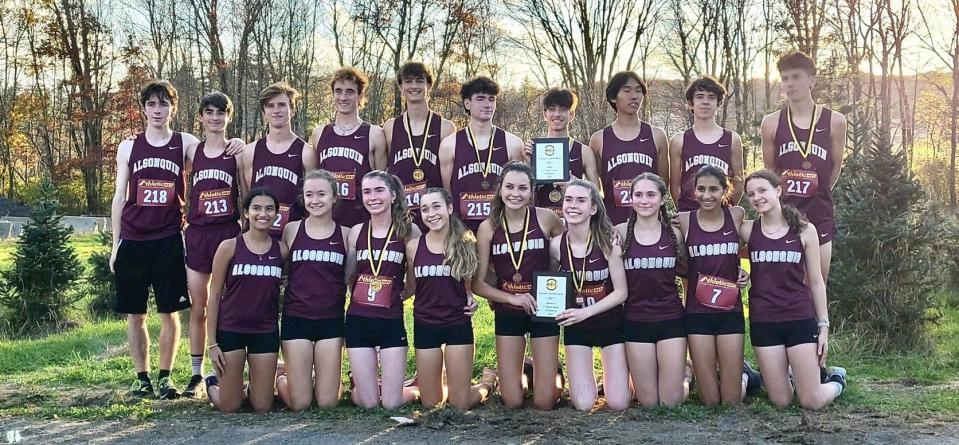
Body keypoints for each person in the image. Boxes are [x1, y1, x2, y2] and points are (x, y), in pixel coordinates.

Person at [110, 80, 242, 399]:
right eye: (152, 104)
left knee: (170, 311)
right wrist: (116, 245)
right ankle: (142, 378)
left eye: (164, 104)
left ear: (174, 108)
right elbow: (118, 197)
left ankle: (166, 377)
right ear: (143, 109)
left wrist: (238, 143)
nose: (158, 110)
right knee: (136, 313)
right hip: (133, 237)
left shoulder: (186, 143)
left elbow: (215, 147)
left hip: (169, 237)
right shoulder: (129, 146)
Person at [741, 170, 847, 410]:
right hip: (764, 321)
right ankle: (768, 376)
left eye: (762, 190)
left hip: (798, 318)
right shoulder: (748, 230)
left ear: (778, 190)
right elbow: (719, 246)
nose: (757, 197)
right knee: (781, 401)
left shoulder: (804, 230)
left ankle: (837, 380)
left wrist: (823, 326)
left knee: (811, 401)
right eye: (751, 194)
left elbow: (817, 281)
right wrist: (739, 271)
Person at [473, 161, 566, 410]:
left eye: (523, 188)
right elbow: (478, 284)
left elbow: (572, 246)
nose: (515, 193)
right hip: (508, 309)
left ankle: (550, 369)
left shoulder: (547, 218)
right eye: (510, 187)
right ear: (500, 189)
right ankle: (519, 371)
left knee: (545, 402)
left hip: (543, 307)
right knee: (512, 400)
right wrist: (512, 298)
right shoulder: (488, 227)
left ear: (532, 191)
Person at [761, 51, 847, 284]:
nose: (790, 83)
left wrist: (815, 192)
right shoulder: (771, 123)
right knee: (785, 285)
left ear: (812, 80)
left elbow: (835, 167)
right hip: (785, 213)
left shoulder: (835, 121)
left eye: (796, 76)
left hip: (819, 213)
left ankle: (820, 323)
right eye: (785, 78)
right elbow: (770, 174)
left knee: (817, 283)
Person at [406, 188, 495, 410]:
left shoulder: (466, 243)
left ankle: (487, 383)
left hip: (457, 322)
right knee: (431, 403)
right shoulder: (414, 246)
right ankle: (447, 381)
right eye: (424, 209)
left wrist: (470, 296)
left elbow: (469, 281)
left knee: (460, 403)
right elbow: (410, 287)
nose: (431, 214)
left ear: (449, 208)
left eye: (436, 206)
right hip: (425, 324)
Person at [677, 165, 759, 406]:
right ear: (694, 191)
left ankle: (745, 376)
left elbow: (752, 245)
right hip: (697, 313)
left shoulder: (736, 215)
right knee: (710, 401)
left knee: (731, 401)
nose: (707, 195)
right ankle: (692, 373)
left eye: (714, 189)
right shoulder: (683, 221)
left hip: (729, 312)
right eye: (701, 189)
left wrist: (744, 271)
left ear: (725, 190)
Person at [182, 92, 243, 398]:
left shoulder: (238, 151)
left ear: (228, 117)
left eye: (221, 113)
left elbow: (246, 192)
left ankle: (230, 365)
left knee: (230, 302)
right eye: (210, 112)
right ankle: (196, 372)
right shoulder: (193, 150)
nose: (215, 118)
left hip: (227, 232)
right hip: (198, 234)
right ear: (201, 117)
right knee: (199, 305)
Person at [204, 188, 287, 413]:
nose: (263, 214)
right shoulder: (229, 247)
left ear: (276, 214)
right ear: (246, 213)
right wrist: (212, 343)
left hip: (265, 331)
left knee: (262, 406)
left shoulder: (281, 250)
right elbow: (214, 297)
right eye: (257, 208)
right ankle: (211, 383)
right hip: (231, 330)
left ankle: (257, 385)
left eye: (269, 209)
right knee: (230, 407)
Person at [275, 170, 352, 410]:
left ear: (334, 197)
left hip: (331, 321)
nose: (315, 200)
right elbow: (282, 270)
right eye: (309, 194)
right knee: (300, 404)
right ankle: (280, 376)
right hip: (296, 320)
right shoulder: (292, 230)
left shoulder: (347, 234)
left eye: (321, 194)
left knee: (328, 403)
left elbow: (351, 279)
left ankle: (332, 380)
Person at [551, 179, 630, 411]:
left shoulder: (609, 242)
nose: (573, 205)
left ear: (593, 209)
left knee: (619, 403)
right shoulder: (556, 246)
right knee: (584, 405)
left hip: (610, 324)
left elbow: (622, 292)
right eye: (568, 200)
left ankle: (624, 379)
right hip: (577, 329)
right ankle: (587, 382)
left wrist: (585, 312)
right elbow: (550, 286)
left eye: (581, 200)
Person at [345, 170, 421, 409]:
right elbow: (349, 276)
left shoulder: (410, 231)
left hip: (391, 320)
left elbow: (416, 274)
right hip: (358, 320)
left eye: (379, 190)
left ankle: (417, 388)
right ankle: (365, 383)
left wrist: (405, 293)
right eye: (367, 191)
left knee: (391, 403)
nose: (372, 197)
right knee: (367, 403)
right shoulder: (356, 231)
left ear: (393, 195)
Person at [615, 173, 689, 407]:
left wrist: (740, 273)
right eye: (638, 195)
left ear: (661, 199)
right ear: (631, 198)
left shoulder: (674, 234)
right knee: (648, 402)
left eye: (650, 195)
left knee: (670, 402)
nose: (644, 200)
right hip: (636, 321)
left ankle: (686, 377)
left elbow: (692, 271)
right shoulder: (619, 232)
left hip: (671, 320)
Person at [439, 76, 525, 234]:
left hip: (502, 228)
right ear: (467, 103)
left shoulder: (513, 143)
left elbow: (521, 191)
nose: (487, 104)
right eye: (480, 99)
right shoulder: (449, 145)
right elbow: (447, 192)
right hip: (463, 231)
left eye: (491, 99)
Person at [384, 62, 457, 231]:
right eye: (408, 81)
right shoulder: (390, 127)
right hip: (400, 212)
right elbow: (384, 173)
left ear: (429, 85)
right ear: (401, 87)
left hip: (434, 214)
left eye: (419, 81)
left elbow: (449, 179)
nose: (414, 86)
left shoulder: (445, 127)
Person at [590, 71, 669, 226]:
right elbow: (596, 186)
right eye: (627, 90)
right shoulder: (599, 139)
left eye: (638, 91)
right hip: (613, 223)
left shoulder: (657, 136)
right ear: (613, 97)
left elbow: (663, 184)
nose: (634, 96)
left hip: (651, 223)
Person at [313, 67, 387, 228]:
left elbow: (382, 183)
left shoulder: (374, 134)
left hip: (362, 223)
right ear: (332, 95)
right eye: (338, 91)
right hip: (327, 223)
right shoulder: (319, 133)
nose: (343, 97)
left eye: (349, 92)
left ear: (360, 96)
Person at [241, 82, 316, 239]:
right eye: (270, 106)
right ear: (263, 112)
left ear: (292, 110)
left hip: (293, 236)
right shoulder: (250, 151)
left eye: (282, 105)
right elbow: (247, 197)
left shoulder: (306, 152)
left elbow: (312, 202)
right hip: (259, 237)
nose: (276, 110)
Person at [669, 76, 745, 211]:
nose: (705, 102)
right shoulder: (679, 140)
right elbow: (675, 185)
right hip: (689, 211)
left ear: (718, 104)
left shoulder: (732, 139)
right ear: (690, 103)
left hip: (721, 213)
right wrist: (682, 213)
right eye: (699, 97)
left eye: (711, 97)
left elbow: (738, 182)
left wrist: (728, 209)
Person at [529, 88, 599, 217]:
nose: (557, 114)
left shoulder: (584, 151)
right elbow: (523, 192)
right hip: (540, 221)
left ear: (571, 114)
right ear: (545, 114)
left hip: (574, 221)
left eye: (563, 109)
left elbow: (596, 195)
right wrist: (526, 162)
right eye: (551, 109)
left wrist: (575, 186)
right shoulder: (532, 149)